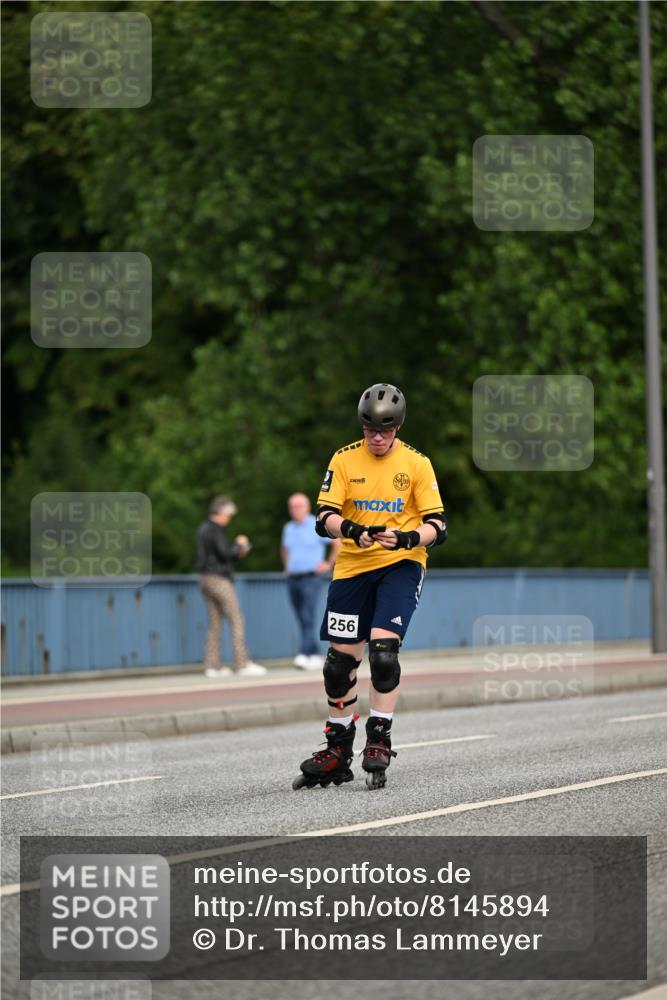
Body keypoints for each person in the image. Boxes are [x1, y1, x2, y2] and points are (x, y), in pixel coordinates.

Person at [293, 383, 447, 791]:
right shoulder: (344, 459)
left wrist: (410, 538)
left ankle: (379, 738)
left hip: (401, 564)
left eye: (386, 429)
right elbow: (323, 515)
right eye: (370, 430)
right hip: (352, 568)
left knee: (382, 654)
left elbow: (438, 525)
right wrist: (351, 529)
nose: (377, 438)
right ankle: (338, 750)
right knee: (338, 666)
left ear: (398, 427)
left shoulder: (417, 464)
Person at [197, 496, 267, 678]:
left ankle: (212, 666)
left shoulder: (203, 528)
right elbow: (225, 554)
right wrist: (239, 547)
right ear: (221, 513)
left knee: (215, 622)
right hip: (218, 579)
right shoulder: (215, 529)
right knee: (236, 618)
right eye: (228, 515)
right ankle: (242, 663)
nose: (229, 519)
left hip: (204, 577)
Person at [280, 493, 340, 670]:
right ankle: (314, 652)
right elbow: (284, 548)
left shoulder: (316, 524)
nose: (295, 510)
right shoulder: (288, 527)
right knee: (301, 616)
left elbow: (337, 542)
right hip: (293, 578)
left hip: (311, 578)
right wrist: (287, 565)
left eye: (299, 506)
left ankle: (304, 653)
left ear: (307, 507)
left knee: (308, 615)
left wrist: (328, 564)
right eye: (292, 506)